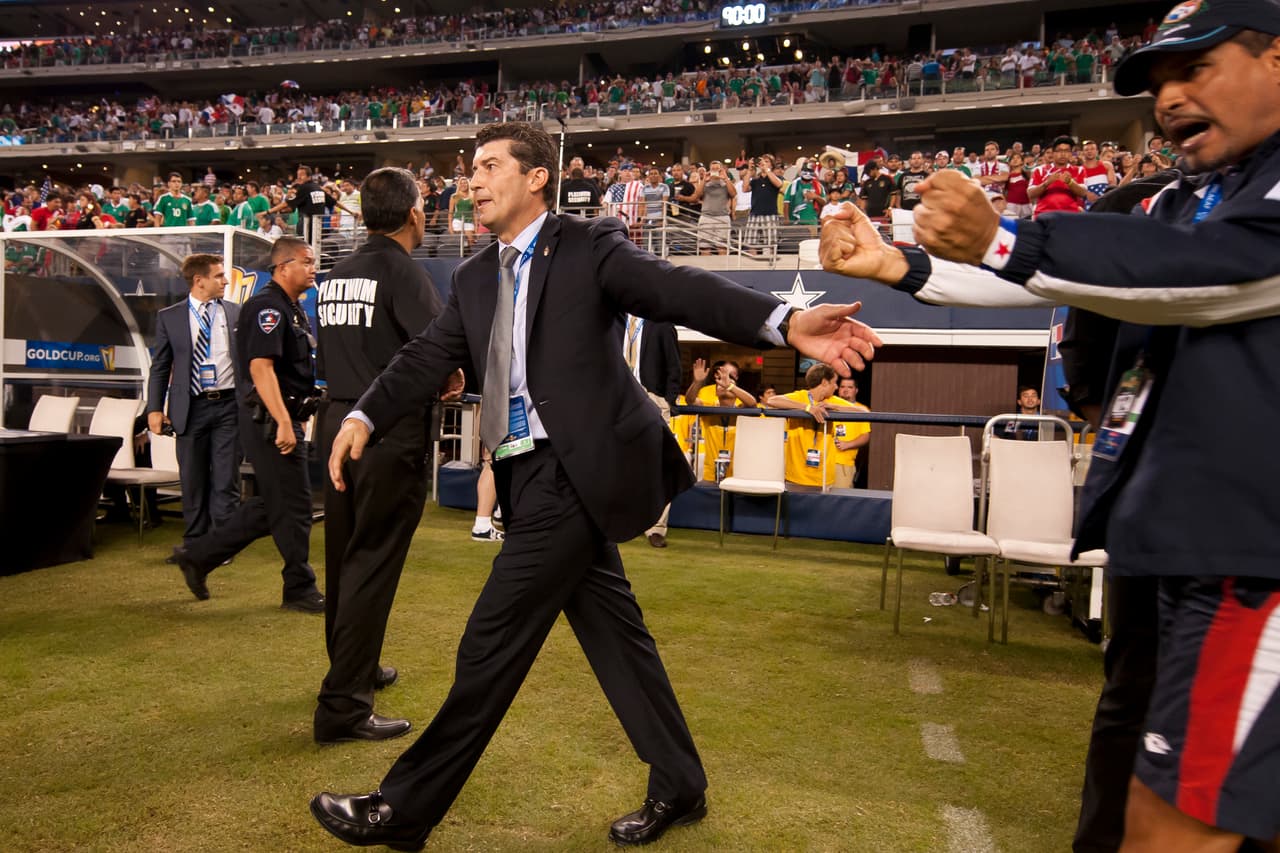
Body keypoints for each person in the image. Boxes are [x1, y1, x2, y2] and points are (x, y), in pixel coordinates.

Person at [311, 121, 881, 851]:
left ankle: (403, 808)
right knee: (619, 638)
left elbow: (676, 289)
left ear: (536, 176)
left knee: (490, 638)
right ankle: (680, 781)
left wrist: (785, 318)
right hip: (527, 475)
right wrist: (364, 411)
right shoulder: (476, 275)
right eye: (470, 169)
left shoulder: (589, 245)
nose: (472, 181)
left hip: (578, 477)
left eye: (488, 167)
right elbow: (428, 354)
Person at [819, 2, 1280, 846]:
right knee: (1155, 786)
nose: (1170, 97)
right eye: (1159, 81)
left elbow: (1227, 273)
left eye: (1195, 68)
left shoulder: (1235, 212)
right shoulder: (1178, 199)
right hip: (1179, 540)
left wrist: (1003, 241)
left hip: (1251, 556)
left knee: (1174, 823)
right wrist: (896, 263)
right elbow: (1058, 275)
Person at [313, 167, 449, 745]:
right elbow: (436, 354)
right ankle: (344, 704)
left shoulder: (336, 273)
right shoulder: (405, 273)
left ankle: (353, 669)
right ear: (416, 213)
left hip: (336, 422)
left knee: (345, 559)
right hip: (387, 433)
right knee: (372, 562)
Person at [172, 236, 325, 614]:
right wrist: (284, 423)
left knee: (273, 505)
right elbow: (261, 369)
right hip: (270, 421)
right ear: (283, 266)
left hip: (281, 417)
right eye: (306, 262)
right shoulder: (266, 308)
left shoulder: (291, 308)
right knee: (296, 505)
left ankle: (199, 556)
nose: (313, 268)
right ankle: (299, 587)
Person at [146, 254, 241, 547]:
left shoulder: (236, 312)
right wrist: (153, 409)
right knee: (193, 479)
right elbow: (160, 367)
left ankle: (220, 545)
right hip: (190, 407)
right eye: (219, 276)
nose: (225, 280)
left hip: (229, 405)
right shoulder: (169, 316)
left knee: (226, 480)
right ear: (199, 281)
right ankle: (195, 543)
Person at [624, 315, 681, 548]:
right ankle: (620, 522)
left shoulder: (662, 324)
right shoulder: (613, 320)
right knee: (616, 464)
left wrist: (667, 401)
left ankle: (656, 527)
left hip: (652, 399)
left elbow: (674, 367)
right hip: (617, 398)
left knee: (656, 466)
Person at [765, 363, 857, 492]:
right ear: (825, 382)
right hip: (795, 476)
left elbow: (861, 411)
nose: (836, 387)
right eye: (834, 383)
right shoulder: (800, 397)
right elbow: (772, 401)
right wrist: (807, 408)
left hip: (824, 478)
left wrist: (836, 408)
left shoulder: (831, 400)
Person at [831, 375, 871, 488]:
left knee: (840, 499)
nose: (845, 390)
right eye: (842, 386)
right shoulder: (829, 404)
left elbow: (866, 436)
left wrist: (847, 444)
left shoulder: (862, 410)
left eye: (850, 387)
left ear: (856, 390)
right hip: (822, 462)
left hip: (844, 463)